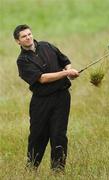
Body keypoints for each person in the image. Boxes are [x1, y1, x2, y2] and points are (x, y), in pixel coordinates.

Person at [13, 24, 79, 172]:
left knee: (59, 135)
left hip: (62, 98)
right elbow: (42, 79)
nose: (28, 37)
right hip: (41, 101)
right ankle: (31, 169)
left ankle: (58, 171)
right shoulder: (22, 61)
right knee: (38, 135)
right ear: (18, 41)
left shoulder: (47, 45)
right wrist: (65, 74)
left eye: (29, 34)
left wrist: (70, 70)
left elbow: (65, 61)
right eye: (24, 36)